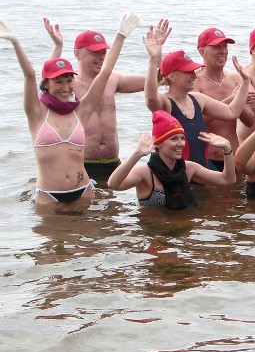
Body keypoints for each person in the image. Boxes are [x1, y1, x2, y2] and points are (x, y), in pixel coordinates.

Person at [4, 14, 139, 204]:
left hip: (84, 190)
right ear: (47, 85)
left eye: (68, 81)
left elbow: (106, 72)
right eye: (58, 82)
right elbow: (29, 75)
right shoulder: (36, 113)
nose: (66, 87)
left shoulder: (81, 110)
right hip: (48, 194)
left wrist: (121, 35)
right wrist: (16, 42)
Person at [42, 18, 147, 180]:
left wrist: (158, 56)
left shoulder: (113, 79)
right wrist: (58, 47)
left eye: (104, 52)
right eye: (95, 52)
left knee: (114, 204)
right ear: (77, 53)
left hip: (113, 163)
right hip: (81, 164)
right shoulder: (69, 85)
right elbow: (49, 80)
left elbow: (154, 81)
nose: (101, 56)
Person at [143, 19, 251, 168]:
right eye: (188, 72)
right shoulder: (165, 103)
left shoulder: (198, 99)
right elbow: (150, 96)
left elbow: (232, 112)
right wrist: (154, 58)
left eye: (194, 71)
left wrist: (245, 82)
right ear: (172, 77)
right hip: (178, 172)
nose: (194, 75)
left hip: (200, 170)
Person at [107, 111, 236, 209]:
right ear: (158, 143)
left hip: (183, 232)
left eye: (182, 138)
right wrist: (137, 154)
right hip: (156, 233)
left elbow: (228, 180)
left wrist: (227, 149)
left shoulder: (189, 168)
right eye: (174, 139)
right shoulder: (145, 173)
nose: (180, 143)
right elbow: (113, 184)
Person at [193, 27, 255, 169]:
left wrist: (238, 104)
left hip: (232, 156)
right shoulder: (195, 81)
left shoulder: (235, 78)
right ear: (202, 51)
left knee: (235, 191)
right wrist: (232, 100)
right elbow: (195, 122)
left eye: (224, 46)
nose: (223, 51)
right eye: (216, 47)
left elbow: (250, 121)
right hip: (205, 158)